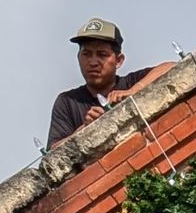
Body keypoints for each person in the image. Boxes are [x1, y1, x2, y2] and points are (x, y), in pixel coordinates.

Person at [46, 18, 158, 148]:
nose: (93, 62)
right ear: (78, 58)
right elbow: (53, 152)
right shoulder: (68, 101)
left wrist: (133, 91)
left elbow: (171, 67)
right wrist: (85, 129)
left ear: (119, 61)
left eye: (102, 55)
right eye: (87, 54)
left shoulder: (130, 83)